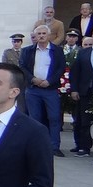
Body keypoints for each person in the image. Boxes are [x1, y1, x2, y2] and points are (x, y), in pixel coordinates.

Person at [19, 24, 65, 157]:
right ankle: (36, 146)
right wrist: (33, 79)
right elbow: (22, 67)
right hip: (33, 90)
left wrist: (49, 81)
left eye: (44, 33)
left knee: (54, 118)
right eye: (38, 34)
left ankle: (54, 146)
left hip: (50, 89)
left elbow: (61, 68)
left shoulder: (57, 50)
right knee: (35, 119)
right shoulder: (27, 51)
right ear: (35, 36)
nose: (41, 36)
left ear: (49, 35)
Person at [70, 24, 93, 159]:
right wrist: (74, 89)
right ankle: (84, 147)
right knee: (83, 120)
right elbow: (75, 73)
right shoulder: (83, 52)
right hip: (84, 91)